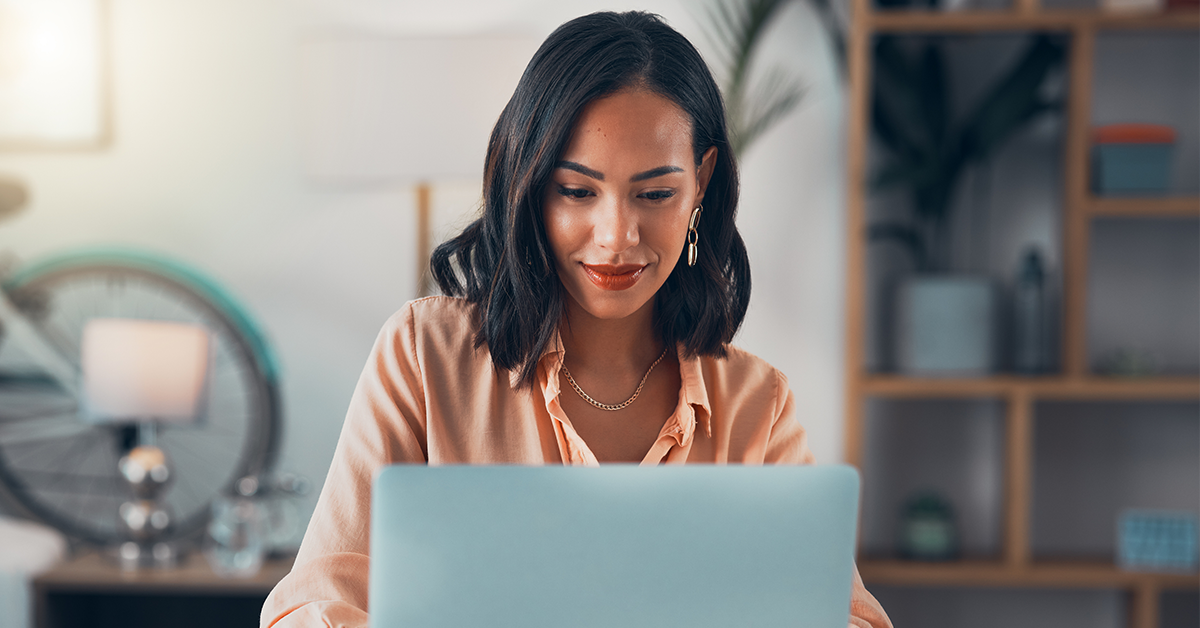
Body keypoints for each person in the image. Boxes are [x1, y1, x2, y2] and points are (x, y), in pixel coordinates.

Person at [261, 11, 891, 628]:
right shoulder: (423, 356)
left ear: (701, 183)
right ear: (529, 186)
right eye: (577, 191)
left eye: (655, 194)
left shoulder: (757, 404)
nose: (616, 237)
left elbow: (844, 613)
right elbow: (311, 605)